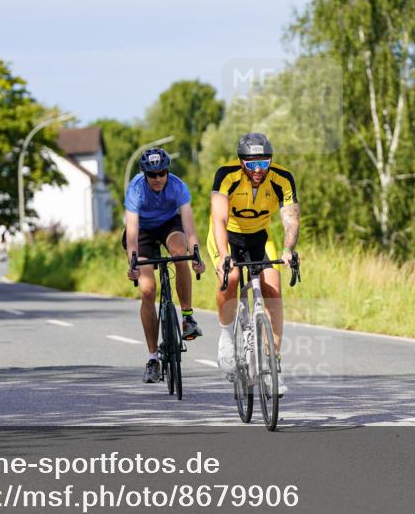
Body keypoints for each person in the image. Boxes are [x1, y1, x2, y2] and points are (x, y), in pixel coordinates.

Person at [209, 133, 299, 395]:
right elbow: (219, 220)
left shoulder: (283, 179)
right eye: (251, 164)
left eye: (264, 163)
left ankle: (273, 366)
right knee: (232, 277)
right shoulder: (226, 176)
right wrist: (224, 254)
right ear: (241, 163)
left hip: (259, 237)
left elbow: (291, 219)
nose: (258, 170)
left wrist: (287, 250)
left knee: (274, 287)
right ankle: (226, 337)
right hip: (228, 236)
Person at [122, 147, 206, 384]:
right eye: (152, 175)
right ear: (144, 174)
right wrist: (133, 262)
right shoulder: (135, 190)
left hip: (169, 224)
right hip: (144, 231)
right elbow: (132, 232)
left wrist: (196, 256)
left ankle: (188, 318)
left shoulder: (178, 186)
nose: (158, 178)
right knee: (148, 290)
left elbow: (188, 226)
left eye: (162, 173)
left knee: (180, 255)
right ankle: (152, 358)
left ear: (167, 171)